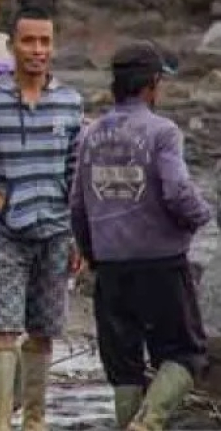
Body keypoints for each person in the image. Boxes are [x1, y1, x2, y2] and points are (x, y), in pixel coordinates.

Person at [70, 42, 212, 431]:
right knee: (186, 352)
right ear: (152, 84)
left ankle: (130, 422)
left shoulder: (90, 135)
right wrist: (200, 217)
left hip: (111, 267)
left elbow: (78, 207)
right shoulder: (162, 132)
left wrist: (90, 251)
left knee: (124, 365)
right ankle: (146, 424)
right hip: (161, 264)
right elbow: (178, 192)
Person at [0, 2, 84, 431]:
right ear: (12, 47)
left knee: (45, 330)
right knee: (2, 329)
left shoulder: (69, 103)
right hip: (5, 235)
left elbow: (75, 174)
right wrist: (3, 204)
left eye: (45, 41)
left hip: (54, 233)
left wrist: (77, 237)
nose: (37, 50)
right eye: (29, 41)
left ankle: (35, 420)